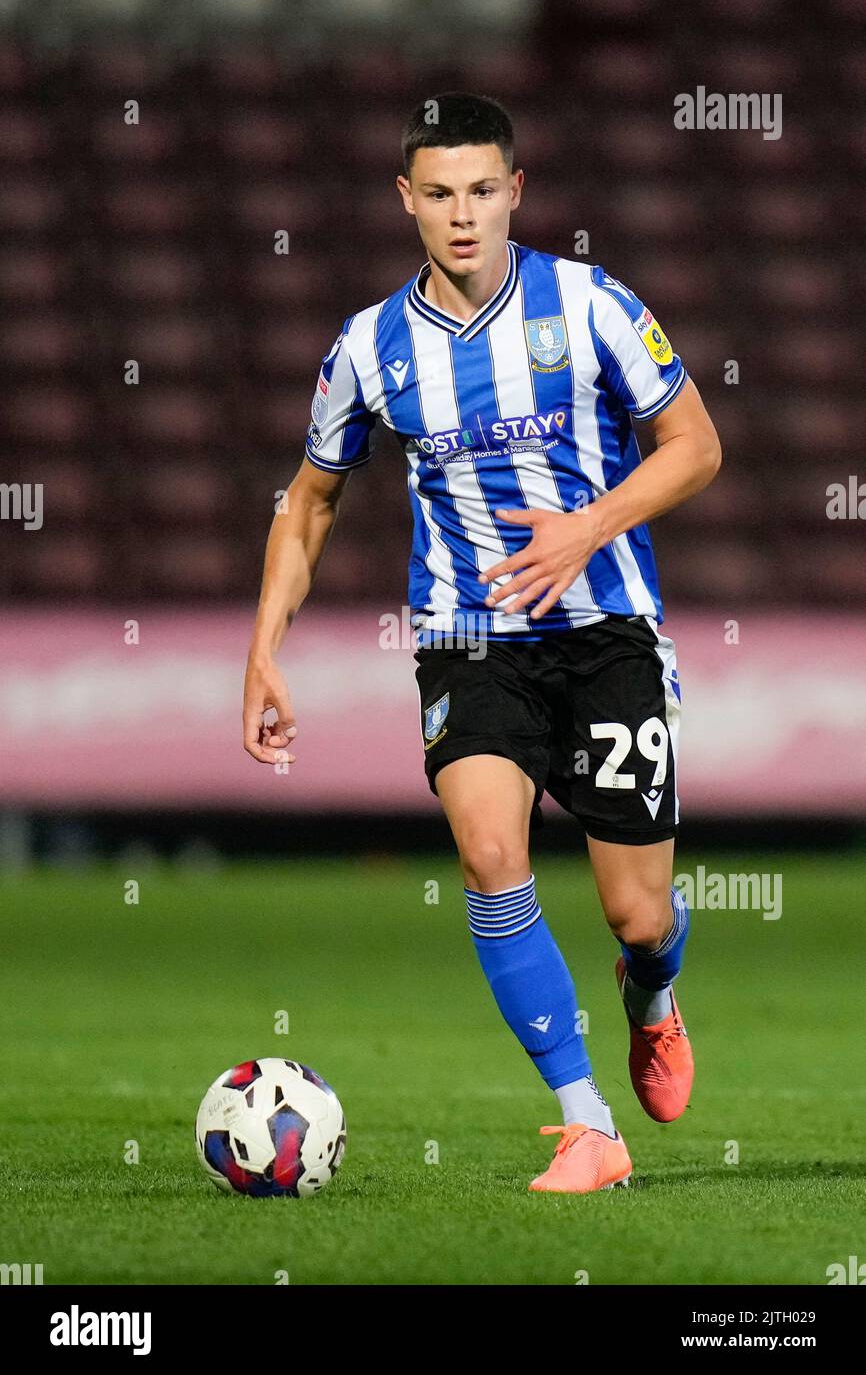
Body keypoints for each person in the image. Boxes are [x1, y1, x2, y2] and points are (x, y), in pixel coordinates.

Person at [243, 92, 722, 1193]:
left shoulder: (590, 304)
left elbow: (695, 445)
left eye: (481, 191)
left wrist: (586, 528)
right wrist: (263, 648)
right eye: (438, 194)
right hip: (467, 640)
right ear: (404, 200)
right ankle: (586, 1123)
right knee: (489, 853)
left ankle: (650, 987)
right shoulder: (367, 347)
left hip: (604, 631)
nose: (463, 215)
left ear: (516, 191)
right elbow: (308, 502)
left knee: (634, 910)